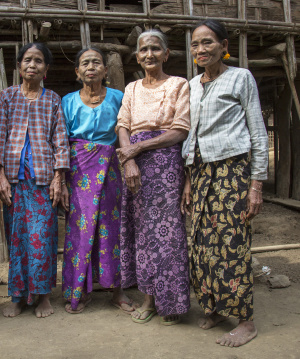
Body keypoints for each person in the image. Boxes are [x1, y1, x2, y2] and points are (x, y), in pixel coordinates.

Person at [181, 19, 268, 347]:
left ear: (223, 45)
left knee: (231, 242)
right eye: (195, 44)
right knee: (202, 244)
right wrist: (189, 179)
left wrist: (256, 184)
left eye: (207, 43)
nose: (200, 50)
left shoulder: (240, 77)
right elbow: (191, 135)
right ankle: (215, 307)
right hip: (201, 173)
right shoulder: (192, 85)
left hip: (232, 172)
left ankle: (245, 321)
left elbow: (257, 130)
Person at [116, 29, 191, 326]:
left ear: (166, 53)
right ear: (137, 56)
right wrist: (129, 159)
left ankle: (171, 303)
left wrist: (139, 147)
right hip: (134, 165)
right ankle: (148, 299)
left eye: (155, 49)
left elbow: (180, 129)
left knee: (169, 236)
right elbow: (123, 125)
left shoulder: (178, 84)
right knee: (142, 233)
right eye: (144, 50)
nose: (150, 54)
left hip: (165, 164)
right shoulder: (132, 88)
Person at [0, 42, 70, 318]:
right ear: (18, 66)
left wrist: (58, 178)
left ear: (46, 69)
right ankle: (18, 296)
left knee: (43, 239)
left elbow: (60, 140)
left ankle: (43, 296)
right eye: (27, 60)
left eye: (38, 61)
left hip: (42, 181)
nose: (32, 65)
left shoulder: (52, 100)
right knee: (18, 240)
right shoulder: (8, 96)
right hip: (14, 181)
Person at [61, 48, 134, 314]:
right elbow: (61, 140)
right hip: (78, 172)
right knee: (80, 230)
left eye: (97, 62)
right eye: (85, 63)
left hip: (111, 170)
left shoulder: (118, 97)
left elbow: (126, 131)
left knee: (111, 227)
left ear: (105, 70)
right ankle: (78, 291)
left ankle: (117, 291)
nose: (91, 67)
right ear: (77, 72)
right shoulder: (67, 101)